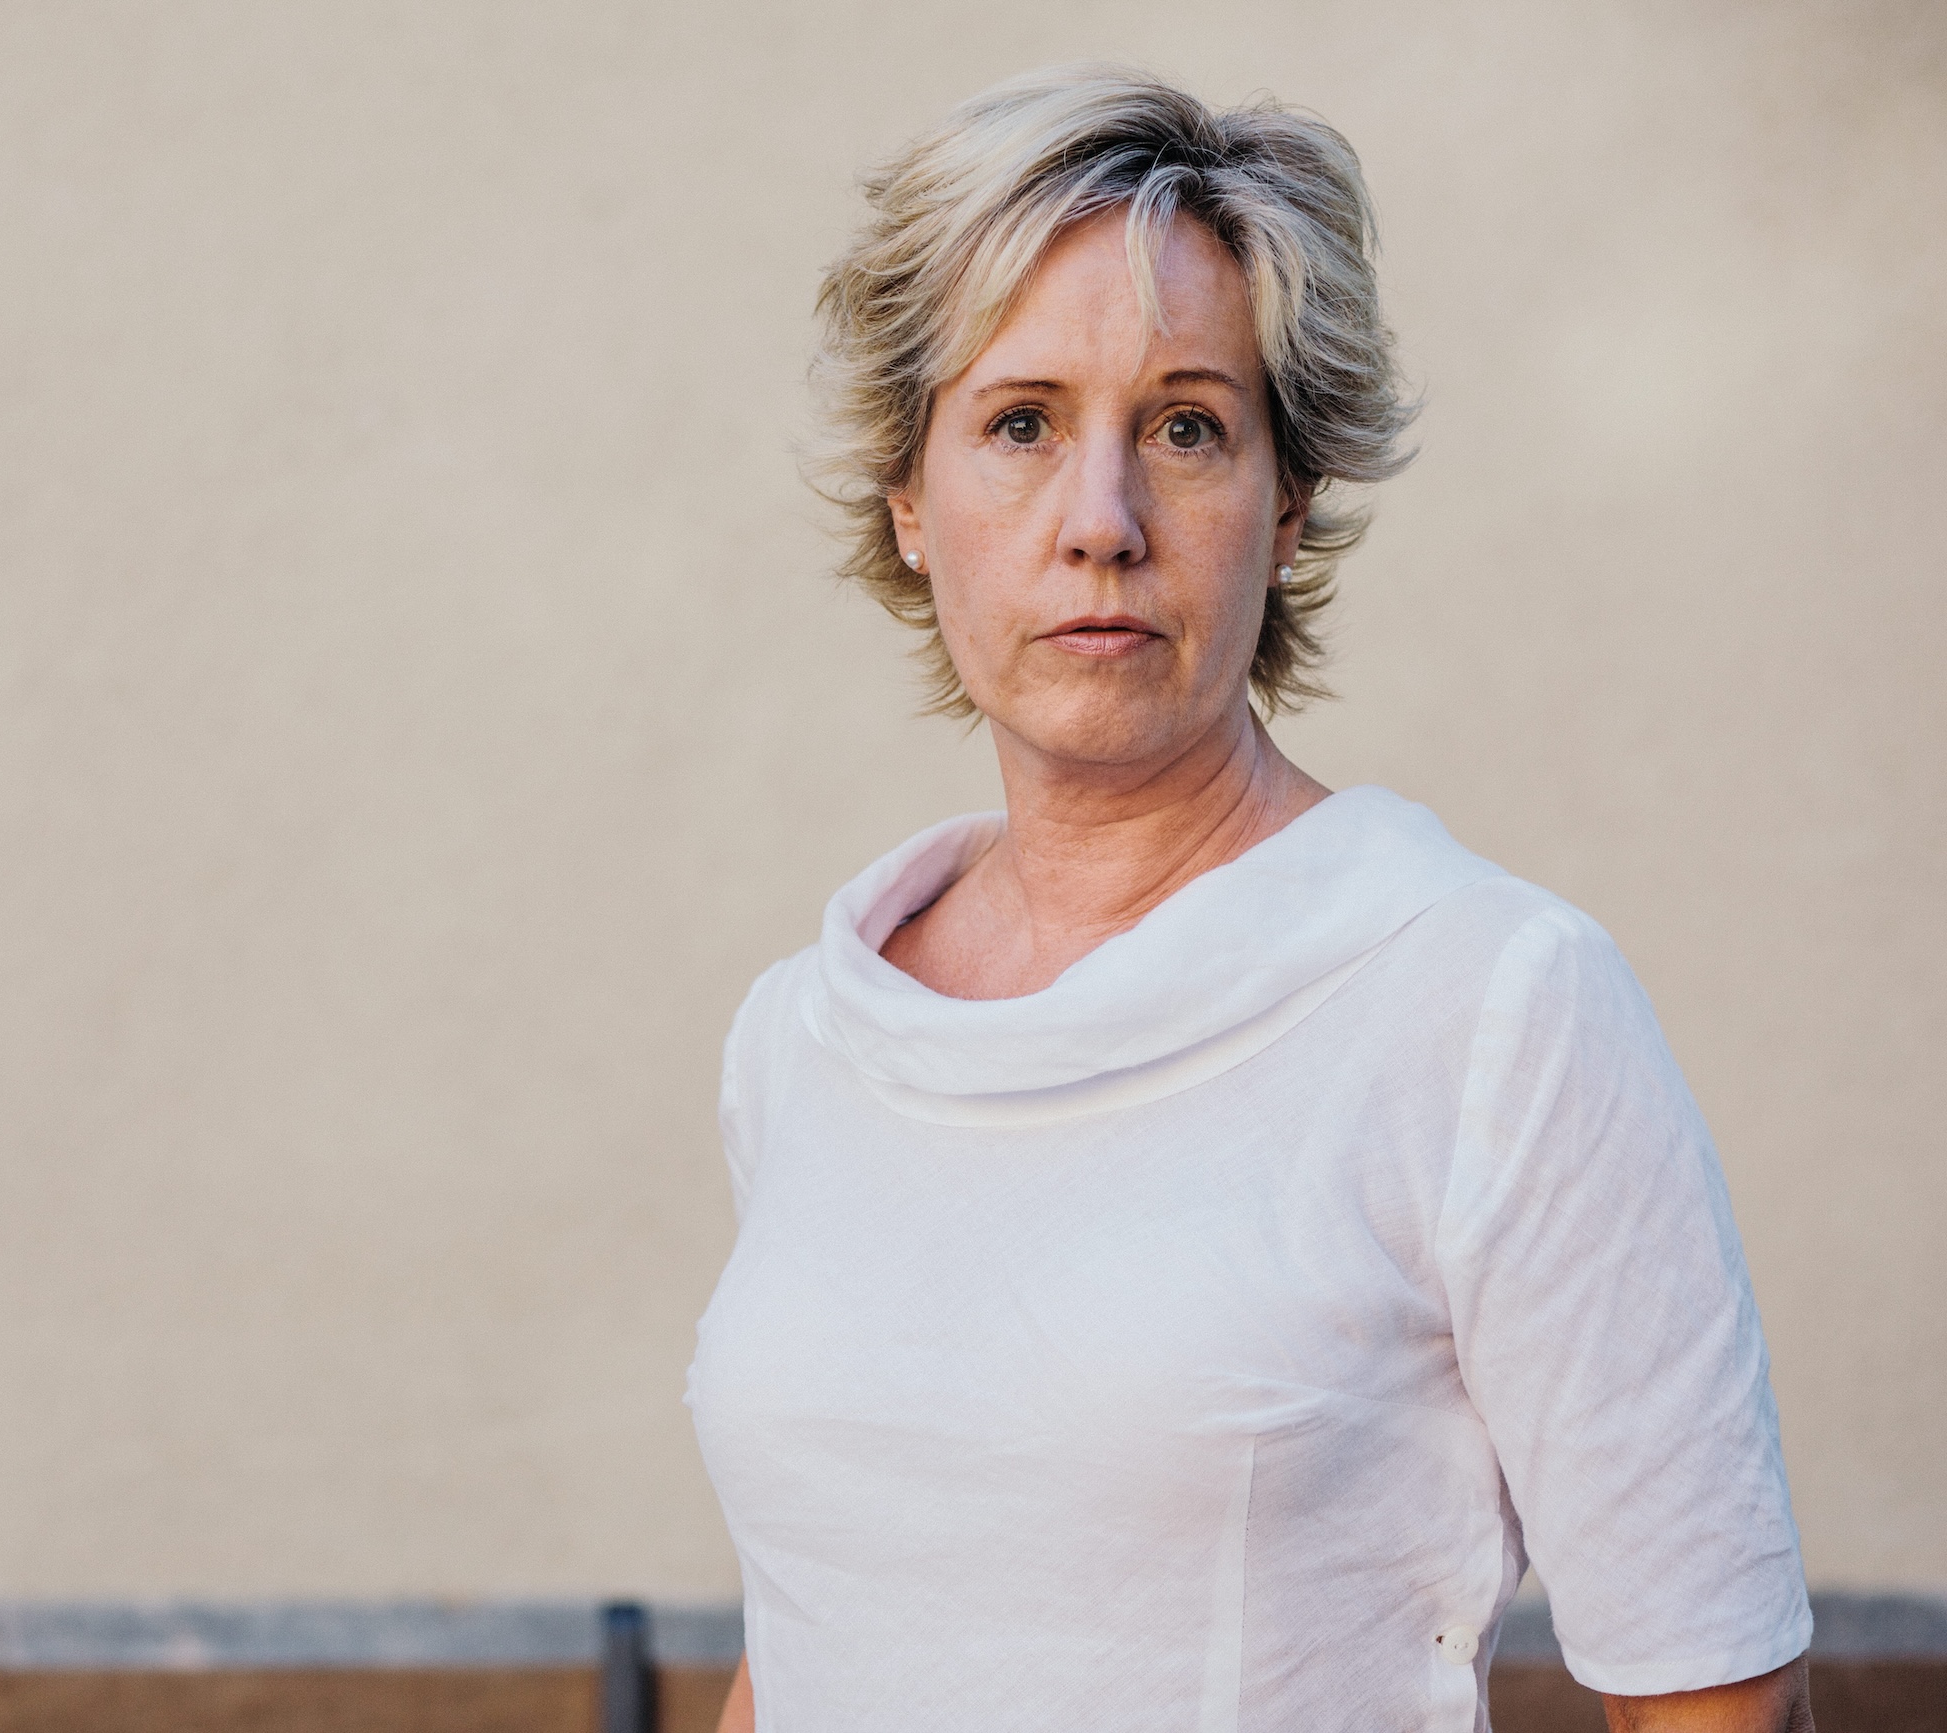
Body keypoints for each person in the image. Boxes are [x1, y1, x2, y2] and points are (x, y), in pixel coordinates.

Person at [686, 67, 1812, 1732]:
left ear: (1288, 505)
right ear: (910, 504)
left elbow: (1712, 1702)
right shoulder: (809, 1034)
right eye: (1020, 424)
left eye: (1187, 427)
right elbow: (810, 1635)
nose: (1101, 523)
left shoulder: (1493, 1004)